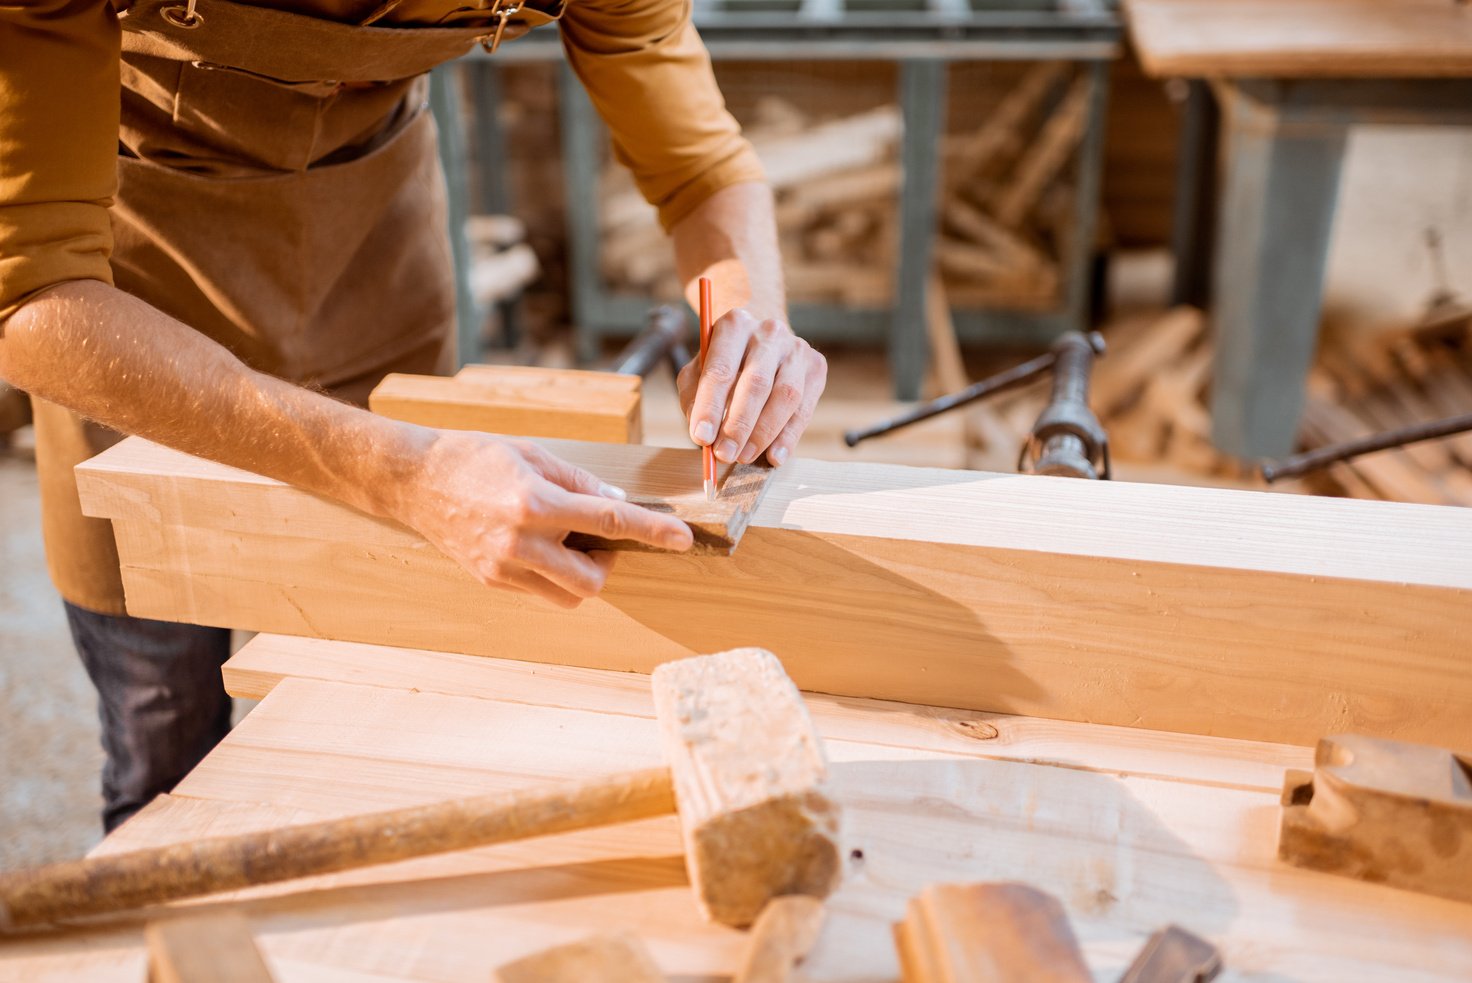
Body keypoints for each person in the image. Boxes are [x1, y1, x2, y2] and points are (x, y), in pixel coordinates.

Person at [0, 0, 827, 832]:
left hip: (375, 254)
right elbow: (27, 289)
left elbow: (699, 165)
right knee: (164, 734)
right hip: (126, 307)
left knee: (388, 719)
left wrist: (751, 315)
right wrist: (402, 471)